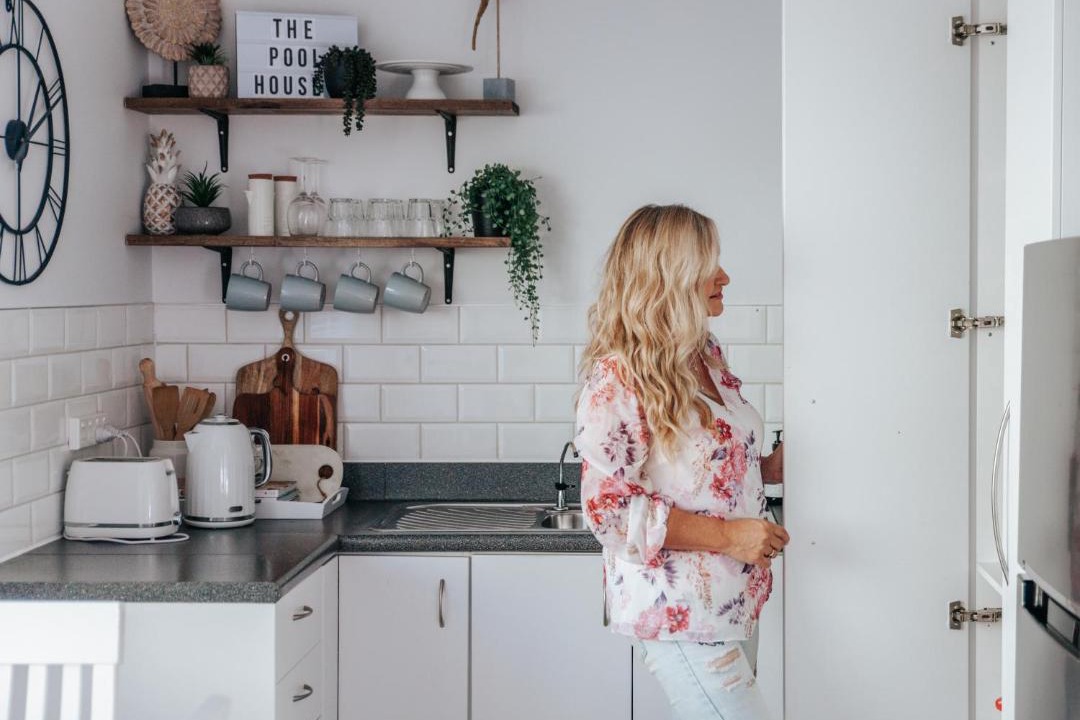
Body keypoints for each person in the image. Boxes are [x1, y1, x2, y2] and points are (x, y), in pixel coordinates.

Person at [575, 204, 788, 720]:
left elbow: (701, 467)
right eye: (709, 264)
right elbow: (607, 512)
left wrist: (772, 467)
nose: (725, 276)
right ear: (669, 277)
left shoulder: (702, 355)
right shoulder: (618, 377)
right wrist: (731, 536)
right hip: (681, 614)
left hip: (731, 604)